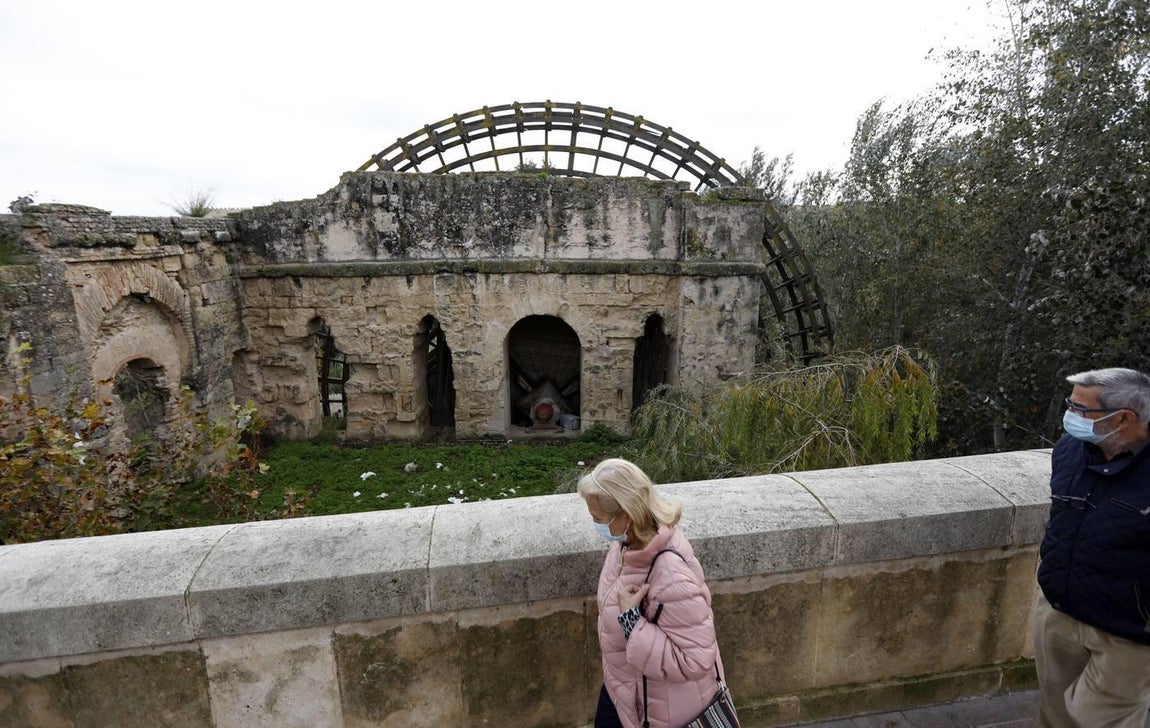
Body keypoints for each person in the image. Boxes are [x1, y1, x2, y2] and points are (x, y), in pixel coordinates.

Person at [1035, 367, 1150, 728]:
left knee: (1100, 721)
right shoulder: (1071, 449)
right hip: (1059, 611)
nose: (1070, 414)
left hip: (1125, 631)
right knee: (1054, 714)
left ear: (1124, 418)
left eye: (1081, 409)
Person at [578, 458, 725, 728]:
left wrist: (632, 622)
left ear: (627, 516)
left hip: (657, 710)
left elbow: (696, 660)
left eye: (598, 519)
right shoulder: (627, 545)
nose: (595, 525)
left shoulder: (670, 574)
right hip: (623, 690)